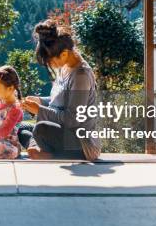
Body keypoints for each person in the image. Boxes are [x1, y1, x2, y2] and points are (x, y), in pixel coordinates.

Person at [20, 19, 100, 161]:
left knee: (41, 128)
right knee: (21, 128)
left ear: (63, 54)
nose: (51, 65)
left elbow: (72, 119)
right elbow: (59, 101)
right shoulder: (64, 67)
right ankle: (38, 150)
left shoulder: (81, 75)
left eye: (51, 61)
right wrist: (40, 101)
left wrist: (39, 110)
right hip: (62, 133)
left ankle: (44, 153)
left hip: (82, 143)